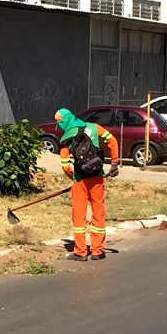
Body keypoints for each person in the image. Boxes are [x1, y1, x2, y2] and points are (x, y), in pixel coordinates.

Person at [56, 108, 118, 261]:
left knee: (79, 216)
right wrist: (114, 164)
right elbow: (113, 141)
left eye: (59, 123)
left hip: (80, 180)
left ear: (64, 122)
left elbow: (65, 165)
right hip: (97, 177)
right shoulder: (93, 127)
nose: (60, 126)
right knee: (98, 212)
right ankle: (97, 251)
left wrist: (73, 177)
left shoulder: (66, 138)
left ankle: (80, 251)